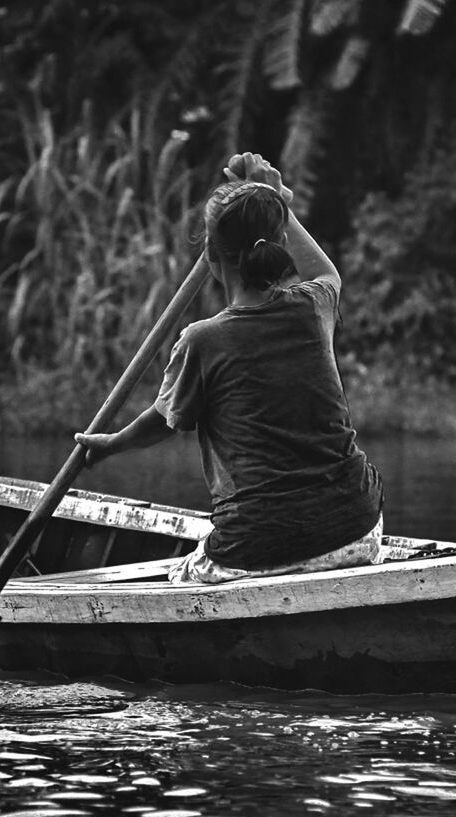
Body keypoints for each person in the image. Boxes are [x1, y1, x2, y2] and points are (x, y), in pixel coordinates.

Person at [75, 152, 384, 584]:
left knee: (181, 579)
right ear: (278, 247)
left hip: (255, 546)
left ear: (210, 256)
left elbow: (164, 421)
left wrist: (111, 444)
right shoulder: (314, 308)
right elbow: (327, 271)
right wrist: (278, 203)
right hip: (359, 530)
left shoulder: (202, 340)